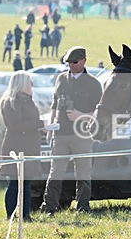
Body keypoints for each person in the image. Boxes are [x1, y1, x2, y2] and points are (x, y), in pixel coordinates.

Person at [39, 46, 102, 216]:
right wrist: (50, 127)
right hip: (60, 134)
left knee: (83, 172)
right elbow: (54, 104)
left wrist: (81, 115)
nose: (71, 66)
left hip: (82, 134)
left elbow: (99, 113)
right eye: (68, 63)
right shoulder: (61, 79)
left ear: (84, 61)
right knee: (55, 171)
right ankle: (49, 206)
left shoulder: (93, 84)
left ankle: (82, 206)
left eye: (74, 62)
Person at [0, 71, 43, 222]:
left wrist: (40, 125)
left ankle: (25, 215)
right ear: (22, 84)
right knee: (15, 183)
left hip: (30, 147)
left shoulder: (30, 101)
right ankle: (11, 215)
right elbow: (16, 125)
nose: (32, 86)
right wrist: (38, 124)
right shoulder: (10, 102)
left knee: (27, 183)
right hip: (16, 147)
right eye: (30, 83)